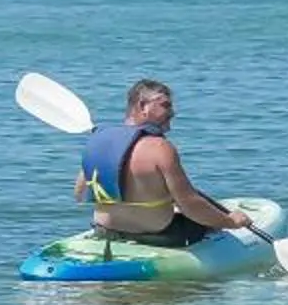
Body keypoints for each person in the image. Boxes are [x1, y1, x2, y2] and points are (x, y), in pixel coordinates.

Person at [77, 79, 256, 247]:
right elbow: (190, 204)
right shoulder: (160, 148)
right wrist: (230, 221)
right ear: (142, 106)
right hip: (154, 235)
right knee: (208, 223)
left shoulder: (97, 141)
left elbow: (80, 193)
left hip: (105, 231)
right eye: (165, 105)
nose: (172, 112)